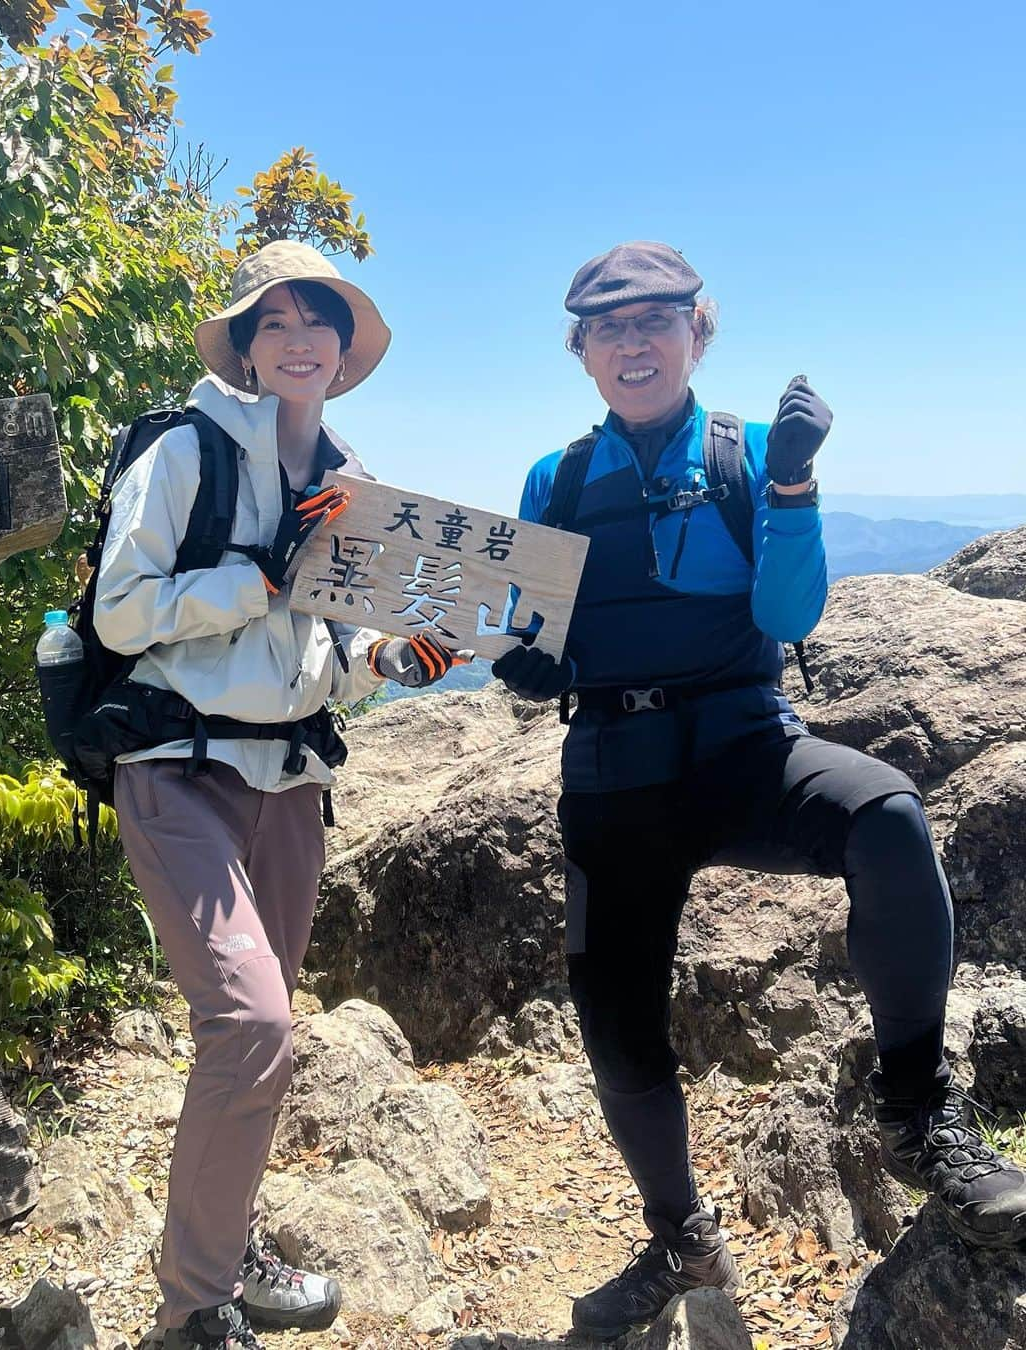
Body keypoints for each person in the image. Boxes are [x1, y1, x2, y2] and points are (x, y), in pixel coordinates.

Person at [493, 241, 1026, 1340]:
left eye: (657, 320)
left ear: (701, 329)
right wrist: (530, 656)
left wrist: (793, 484)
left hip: (744, 751)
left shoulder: (743, 458)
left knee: (884, 813)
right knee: (614, 1019)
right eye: (609, 327)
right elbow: (530, 630)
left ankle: (920, 1115)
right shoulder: (557, 480)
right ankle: (679, 1230)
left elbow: (788, 617)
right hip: (615, 773)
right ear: (581, 350)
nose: (633, 343)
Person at [95, 241, 459, 1350]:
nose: (300, 340)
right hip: (179, 771)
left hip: (290, 781)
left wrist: (392, 664)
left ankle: (227, 1247)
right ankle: (192, 1312)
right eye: (276, 322)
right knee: (249, 1025)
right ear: (248, 347)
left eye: (322, 322)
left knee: (262, 1033)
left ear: (344, 351)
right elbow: (120, 611)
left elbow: (331, 658)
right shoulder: (185, 449)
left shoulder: (355, 478)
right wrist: (246, 584)